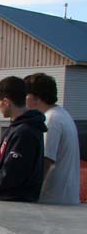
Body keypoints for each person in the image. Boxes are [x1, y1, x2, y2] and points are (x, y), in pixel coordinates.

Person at [0, 76, 46, 202]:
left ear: (6, 101)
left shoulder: (25, 132)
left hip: (14, 203)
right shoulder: (16, 128)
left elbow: (11, 174)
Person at [24, 73, 81, 205]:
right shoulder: (63, 114)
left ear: (36, 97)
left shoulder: (50, 120)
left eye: (25, 96)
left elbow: (45, 161)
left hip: (53, 199)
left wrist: (30, 192)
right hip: (65, 196)